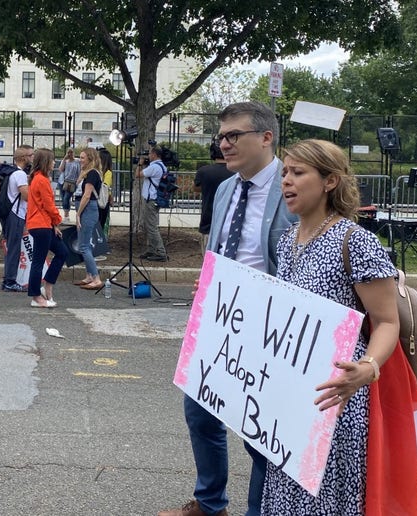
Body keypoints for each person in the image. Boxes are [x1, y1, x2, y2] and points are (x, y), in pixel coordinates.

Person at [263, 139, 417, 515]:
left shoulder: (357, 241)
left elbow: (386, 321)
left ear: (330, 181)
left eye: (298, 173)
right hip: (292, 389)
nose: (286, 181)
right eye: (284, 172)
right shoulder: (287, 241)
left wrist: (366, 369)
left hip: (337, 392)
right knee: (287, 493)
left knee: (326, 498)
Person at [159, 101, 295, 516]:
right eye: (221, 136)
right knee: (199, 414)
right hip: (221, 319)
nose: (224, 144)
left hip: (271, 327)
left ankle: (261, 509)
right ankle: (210, 502)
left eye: (233, 135)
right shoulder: (225, 189)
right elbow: (218, 247)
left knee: (261, 437)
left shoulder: (292, 187)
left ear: (266, 137)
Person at [25, 148, 67, 308]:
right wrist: (57, 220)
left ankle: (46, 286)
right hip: (41, 224)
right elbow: (49, 205)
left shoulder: (38, 178)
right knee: (38, 261)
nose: (54, 162)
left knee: (62, 252)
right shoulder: (42, 180)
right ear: (46, 162)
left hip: (42, 224)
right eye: (52, 160)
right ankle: (36, 295)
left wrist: (53, 224)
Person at [0, 144, 33, 292]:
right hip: (16, 213)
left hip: (10, 213)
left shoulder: (11, 172)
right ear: (24, 157)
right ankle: (10, 281)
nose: (33, 158)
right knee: (14, 248)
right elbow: (26, 196)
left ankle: (8, 279)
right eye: (31, 155)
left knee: (12, 247)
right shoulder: (19, 174)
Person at [194, 142, 234, 254]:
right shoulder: (236, 171)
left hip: (208, 222)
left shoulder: (204, 171)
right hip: (230, 223)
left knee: (209, 261)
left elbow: (196, 189)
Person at [73, 147, 104, 290]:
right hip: (86, 208)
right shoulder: (87, 173)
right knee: (84, 244)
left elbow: (87, 195)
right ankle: (89, 275)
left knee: (84, 246)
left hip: (87, 209)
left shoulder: (92, 174)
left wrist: (78, 214)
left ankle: (96, 278)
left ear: (90, 159)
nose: (80, 160)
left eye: (83, 157)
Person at [135, 145, 169, 262]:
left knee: (152, 227)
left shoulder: (154, 167)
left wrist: (139, 164)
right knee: (148, 225)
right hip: (155, 198)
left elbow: (137, 175)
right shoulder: (162, 166)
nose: (148, 156)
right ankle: (151, 249)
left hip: (151, 199)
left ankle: (160, 252)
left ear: (154, 154)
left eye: (149, 154)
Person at [57, 148, 79, 222]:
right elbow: (60, 169)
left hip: (71, 182)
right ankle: (66, 214)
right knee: (63, 198)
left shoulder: (77, 161)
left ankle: (66, 216)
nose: (70, 154)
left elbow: (79, 171)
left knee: (66, 198)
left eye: (71, 152)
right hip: (63, 181)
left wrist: (77, 180)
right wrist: (64, 159)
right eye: (68, 153)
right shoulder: (65, 161)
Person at [97, 148, 114, 238]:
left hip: (102, 200)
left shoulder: (107, 173)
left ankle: (100, 240)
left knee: (101, 221)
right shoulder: (99, 171)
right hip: (99, 199)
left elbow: (105, 187)